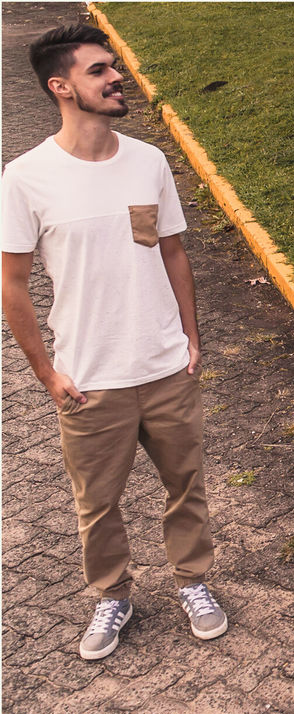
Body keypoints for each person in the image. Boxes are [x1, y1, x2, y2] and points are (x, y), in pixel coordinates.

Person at [2, 24, 228, 660]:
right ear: (61, 87)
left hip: (164, 366)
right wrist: (47, 373)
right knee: (97, 503)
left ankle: (193, 581)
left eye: (114, 66)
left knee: (186, 485)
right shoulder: (25, 178)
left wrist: (190, 337)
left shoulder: (148, 161)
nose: (115, 77)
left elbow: (174, 251)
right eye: (99, 70)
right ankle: (112, 596)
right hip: (90, 375)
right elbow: (13, 287)